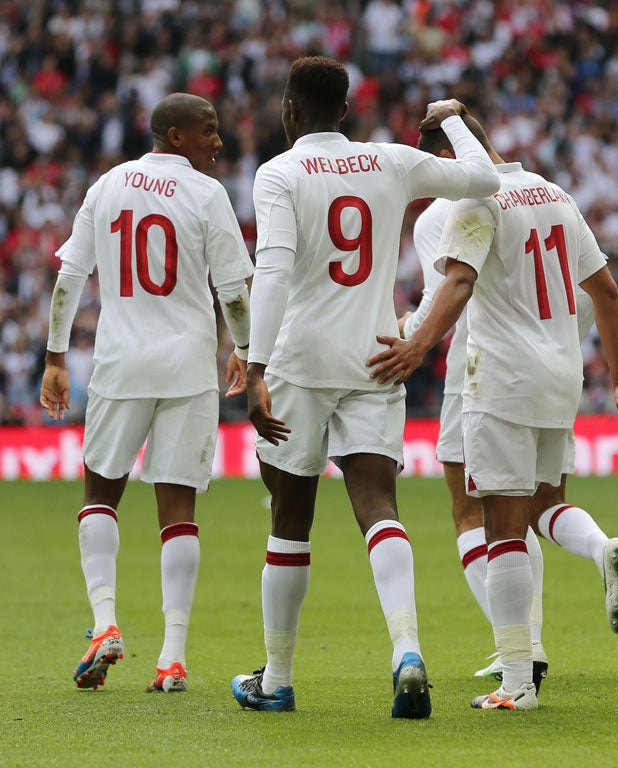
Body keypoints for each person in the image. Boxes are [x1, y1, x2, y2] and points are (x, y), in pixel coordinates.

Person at [230, 56, 500, 718]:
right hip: (378, 355)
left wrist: (255, 365)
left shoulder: (279, 172)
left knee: (290, 516)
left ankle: (279, 679)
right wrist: (454, 120)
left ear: (290, 111)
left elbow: (272, 271)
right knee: (379, 503)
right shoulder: (390, 160)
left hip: (300, 360)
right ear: (346, 112)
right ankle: (407, 651)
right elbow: (484, 179)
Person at [368, 114, 618, 711]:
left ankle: (518, 681)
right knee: (547, 503)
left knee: (500, 526)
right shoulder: (555, 194)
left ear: (454, 153)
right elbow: (604, 290)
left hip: (498, 377)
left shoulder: (469, 203)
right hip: (562, 375)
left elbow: (454, 286)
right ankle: (602, 549)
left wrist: (414, 345)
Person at [39, 93, 254, 693]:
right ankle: (173, 657)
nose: (218, 140)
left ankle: (105, 624)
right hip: (187, 366)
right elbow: (234, 290)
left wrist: (56, 357)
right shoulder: (208, 195)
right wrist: (245, 350)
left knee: (99, 495)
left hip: (121, 363)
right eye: (208, 130)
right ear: (174, 135)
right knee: (178, 511)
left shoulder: (107, 186)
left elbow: (68, 280)